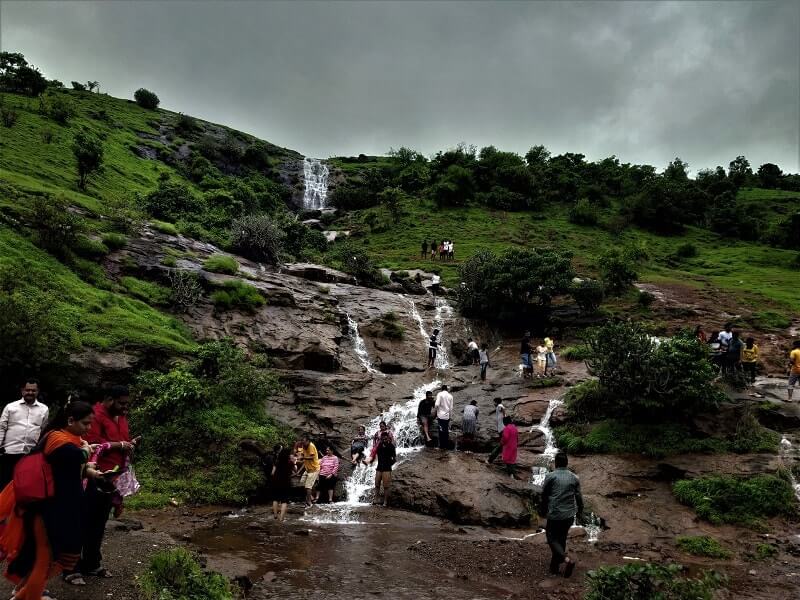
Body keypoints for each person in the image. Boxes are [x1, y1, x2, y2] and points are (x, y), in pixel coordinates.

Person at [0, 399, 110, 599]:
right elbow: (72, 457)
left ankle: (26, 591)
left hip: (56, 507)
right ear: (70, 420)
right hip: (47, 509)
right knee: (45, 554)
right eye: (85, 423)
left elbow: (64, 472)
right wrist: (86, 451)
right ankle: (25, 595)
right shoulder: (58, 440)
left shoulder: (69, 440)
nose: (89, 428)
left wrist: (89, 472)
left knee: (45, 554)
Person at [67, 385, 139, 584]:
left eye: (127, 404)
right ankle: (71, 568)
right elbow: (92, 443)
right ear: (108, 399)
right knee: (82, 522)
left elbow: (121, 440)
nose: (125, 408)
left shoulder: (121, 417)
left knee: (99, 523)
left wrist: (129, 444)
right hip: (91, 476)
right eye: (121, 403)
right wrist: (119, 445)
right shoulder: (94, 416)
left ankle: (92, 563)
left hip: (112, 478)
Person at [539, 452, 583, 578]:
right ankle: (554, 567)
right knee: (561, 538)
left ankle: (566, 560)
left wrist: (543, 510)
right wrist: (580, 511)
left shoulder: (550, 476)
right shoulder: (574, 477)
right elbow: (579, 496)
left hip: (555, 513)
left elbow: (544, 495)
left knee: (551, 537)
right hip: (569, 515)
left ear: (556, 463)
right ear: (567, 463)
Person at [0, 378, 49, 490]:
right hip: (10, 452)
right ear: (22, 390)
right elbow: (1, 428)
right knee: (5, 484)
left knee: (25, 487)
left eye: (33, 390)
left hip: (30, 454)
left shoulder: (44, 409)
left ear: (38, 391)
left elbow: (43, 430)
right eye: (27, 390)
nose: (30, 393)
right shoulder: (11, 407)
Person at [271, 446, 294, 522]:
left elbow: (272, 473)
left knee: (275, 498)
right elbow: (294, 470)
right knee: (284, 501)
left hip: (276, 481)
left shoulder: (277, 461)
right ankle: (281, 519)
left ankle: (275, 516)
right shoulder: (290, 462)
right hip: (286, 482)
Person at [373, 431, 396, 507]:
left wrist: (389, 464)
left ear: (388, 438)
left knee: (386, 486)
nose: (384, 439)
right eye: (383, 438)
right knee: (377, 485)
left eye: (386, 438)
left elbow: (394, 459)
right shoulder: (379, 446)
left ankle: (385, 502)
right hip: (379, 468)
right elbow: (373, 452)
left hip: (387, 469)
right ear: (381, 438)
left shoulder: (391, 446)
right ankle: (376, 499)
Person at [298, 435, 320, 507]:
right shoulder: (304, 446)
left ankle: (309, 502)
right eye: (302, 442)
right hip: (307, 469)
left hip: (314, 469)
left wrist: (302, 457)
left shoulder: (311, 446)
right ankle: (310, 498)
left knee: (308, 487)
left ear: (308, 441)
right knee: (302, 483)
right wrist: (300, 457)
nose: (303, 443)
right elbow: (302, 455)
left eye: (304, 442)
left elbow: (312, 457)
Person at [486, 398, 506, 464]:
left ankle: (498, 455)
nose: (493, 403)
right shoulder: (498, 407)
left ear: (497, 402)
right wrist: (491, 412)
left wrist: (504, 416)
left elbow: (503, 409)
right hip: (500, 428)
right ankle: (502, 453)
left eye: (494, 402)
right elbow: (498, 409)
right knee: (502, 442)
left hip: (502, 428)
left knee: (502, 443)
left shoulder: (500, 406)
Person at [434, 385, 453, 449]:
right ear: (447, 389)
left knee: (441, 430)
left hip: (440, 416)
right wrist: (450, 416)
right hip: (447, 416)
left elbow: (436, 404)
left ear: (441, 389)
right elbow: (451, 408)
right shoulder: (450, 396)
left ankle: (441, 446)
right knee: (446, 430)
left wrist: (435, 411)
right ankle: (446, 445)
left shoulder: (440, 394)